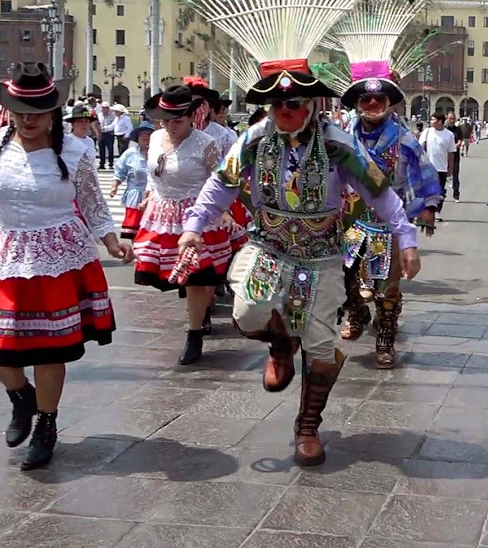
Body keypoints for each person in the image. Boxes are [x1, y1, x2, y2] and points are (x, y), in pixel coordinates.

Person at [181, 58, 420, 467]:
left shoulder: (338, 144)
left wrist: (406, 237)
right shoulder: (254, 139)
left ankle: (308, 426)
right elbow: (221, 184)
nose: (284, 109)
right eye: (276, 102)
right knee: (249, 311)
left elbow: (379, 190)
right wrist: (193, 227)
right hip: (268, 246)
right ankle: (279, 343)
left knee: (321, 343)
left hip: (321, 254)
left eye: (293, 101)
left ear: (310, 103)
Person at [0, 62, 134, 471]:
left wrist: (112, 241)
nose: (29, 119)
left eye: (38, 111)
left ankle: (46, 423)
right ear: (9, 107)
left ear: (52, 111)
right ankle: (21, 395)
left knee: (48, 348)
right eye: (21, 109)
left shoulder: (75, 150)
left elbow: (94, 203)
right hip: (2, 252)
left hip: (56, 257)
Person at [337, 62, 442, 366]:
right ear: (357, 105)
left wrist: (429, 206)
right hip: (350, 218)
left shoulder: (403, 139)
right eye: (366, 100)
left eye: (379, 100)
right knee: (343, 276)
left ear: (389, 104)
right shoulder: (343, 137)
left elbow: (424, 172)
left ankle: (385, 335)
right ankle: (356, 312)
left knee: (387, 284)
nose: (372, 104)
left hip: (389, 219)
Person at [132, 86, 237, 365]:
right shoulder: (155, 138)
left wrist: (223, 211)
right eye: (165, 120)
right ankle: (197, 318)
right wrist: (148, 195)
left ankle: (194, 333)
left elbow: (218, 182)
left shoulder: (205, 143)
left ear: (192, 117)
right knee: (175, 277)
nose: (169, 126)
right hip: (163, 213)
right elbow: (152, 174)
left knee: (196, 278)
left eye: (176, 121)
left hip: (197, 214)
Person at [111, 121, 154, 240]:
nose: (145, 137)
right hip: (134, 196)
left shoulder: (159, 153)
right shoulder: (130, 154)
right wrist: (115, 186)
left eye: (148, 134)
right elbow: (120, 171)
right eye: (142, 135)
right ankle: (135, 253)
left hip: (153, 196)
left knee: (151, 230)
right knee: (133, 230)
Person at [418, 114, 456, 221]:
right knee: (425, 190)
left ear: (440, 121)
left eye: (433, 119)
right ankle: (424, 211)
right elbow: (419, 147)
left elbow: (451, 153)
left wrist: (450, 168)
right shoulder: (427, 132)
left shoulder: (449, 135)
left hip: (441, 167)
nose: (431, 121)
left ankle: (437, 211)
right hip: (427, 166)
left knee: (439, 191)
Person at [96, 102, 117, 169]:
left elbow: (113, 125)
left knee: (110, 149)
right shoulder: (99, 115)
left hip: (109, 133)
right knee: (101, 149)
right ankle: (102, 163)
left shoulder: (113, 116)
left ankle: (111, 163)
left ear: (108, 108)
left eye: (105, 108)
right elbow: (97, 123)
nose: (104, 109)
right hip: (101, 133)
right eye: (103, 108)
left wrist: (106, 128)